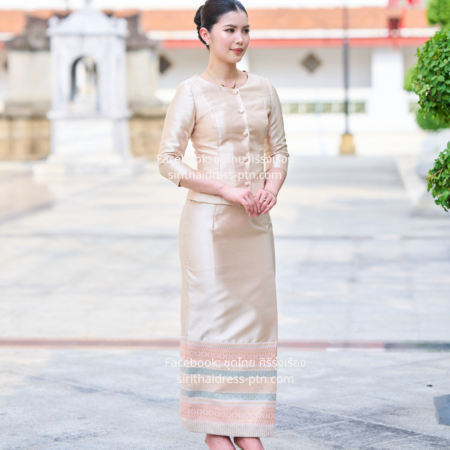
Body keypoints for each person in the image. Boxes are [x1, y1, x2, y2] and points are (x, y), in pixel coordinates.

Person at [157, 1, 289, 449]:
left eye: (246, 30)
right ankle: (215, 429)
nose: (240, 39)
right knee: (213, 322)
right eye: (230, 30)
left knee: (256, 323)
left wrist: (271, 187)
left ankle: (248, 426)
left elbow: (279, 151)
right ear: (205, 35)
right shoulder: (190, 92)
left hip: (254, 225)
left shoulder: (265, 89)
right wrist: (225, 189)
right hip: (208, 227)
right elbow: (168, 161)